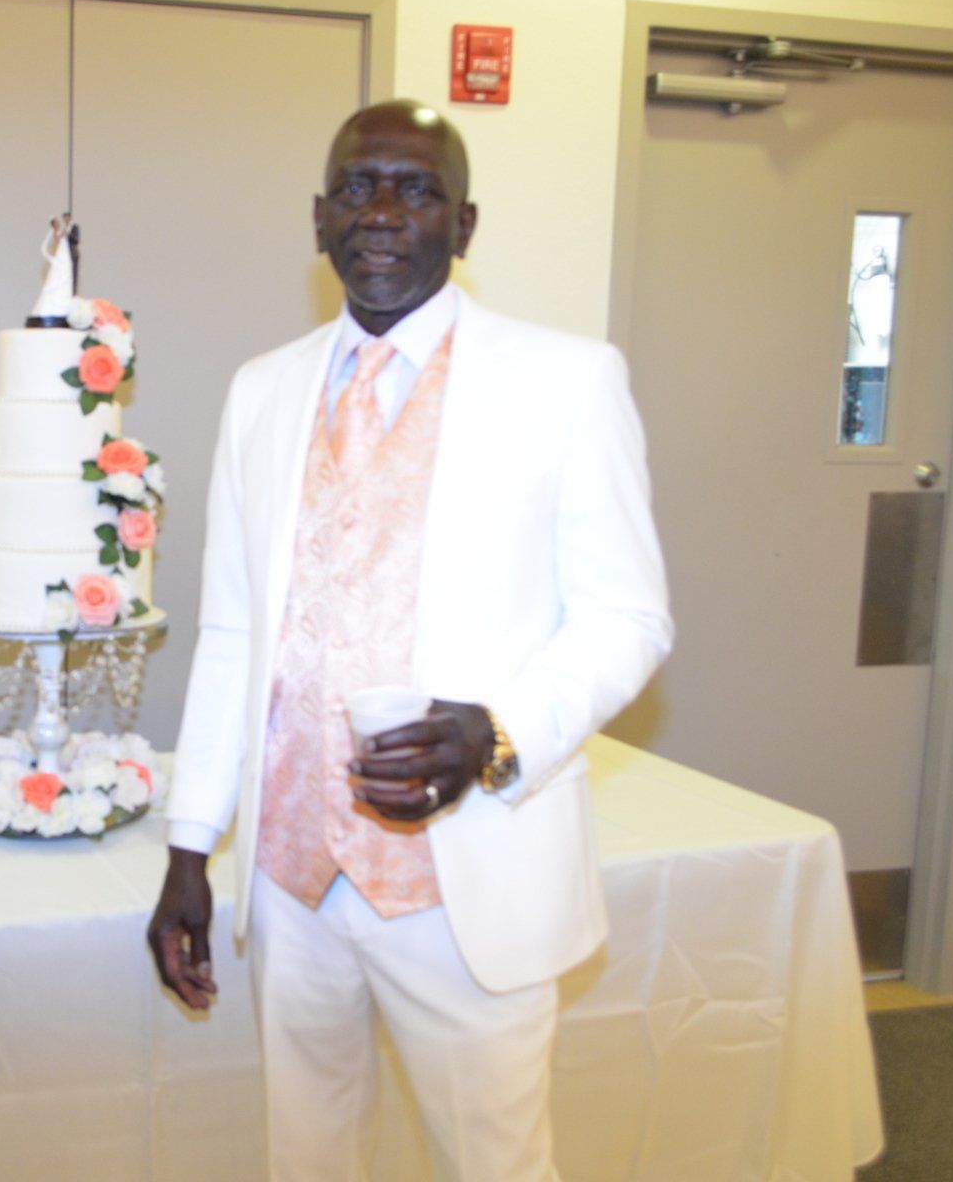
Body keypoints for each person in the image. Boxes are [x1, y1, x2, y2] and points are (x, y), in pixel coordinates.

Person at [147, 101, 673, 1180]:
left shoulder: (567, 380)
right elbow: (233, 630)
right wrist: (192, 842)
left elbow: (629, 618)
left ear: (463, 225)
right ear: (319, 219)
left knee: (493, 1165)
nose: (382, 212)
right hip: (291, 881)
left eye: (417, 189)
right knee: (308, 1159)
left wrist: (496, 733)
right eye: (358, 187)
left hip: (468, 875)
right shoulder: (262, 390)